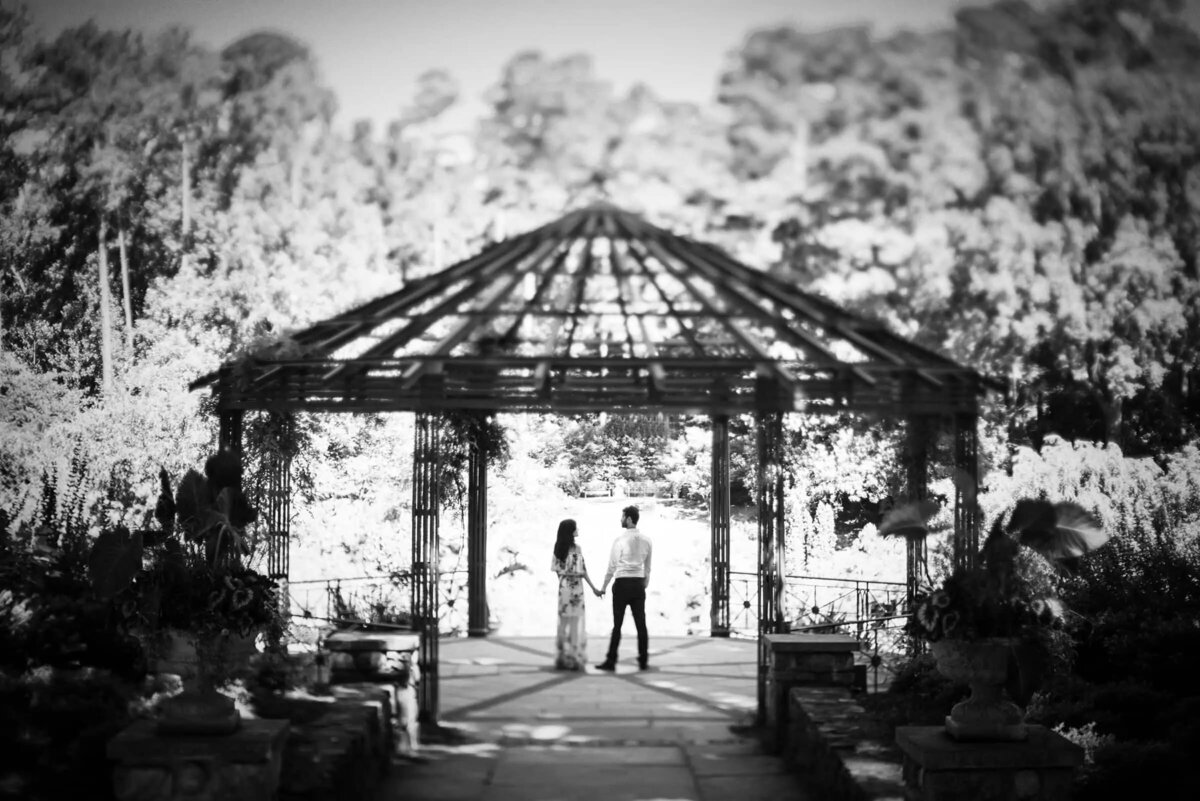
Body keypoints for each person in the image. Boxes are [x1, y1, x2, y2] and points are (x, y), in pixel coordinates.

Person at [597, 505, 652, 672]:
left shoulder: (619, 541)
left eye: (622, 517)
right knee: (641, 624)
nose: (620, 520)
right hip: (638, 584)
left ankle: (611, 660)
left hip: (621, 584)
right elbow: (648, 568)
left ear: (629, 519)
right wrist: (643, 585)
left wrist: (604, 587)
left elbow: (612, 566)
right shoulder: (647, 540)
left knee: (618, 624)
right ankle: (643, 660)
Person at [551, 518, 600, 670]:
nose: (578, 530)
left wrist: (593, 588)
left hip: (567, 586)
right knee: (572, 622)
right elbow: (582, 571)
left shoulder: (561, 548)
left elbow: (558, 570)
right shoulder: (575, 549)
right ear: (570, 531)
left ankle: (566, 656)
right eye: (575, 528)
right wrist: (591, 587)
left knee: (567, 621)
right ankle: (570, 656)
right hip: (575, 587)